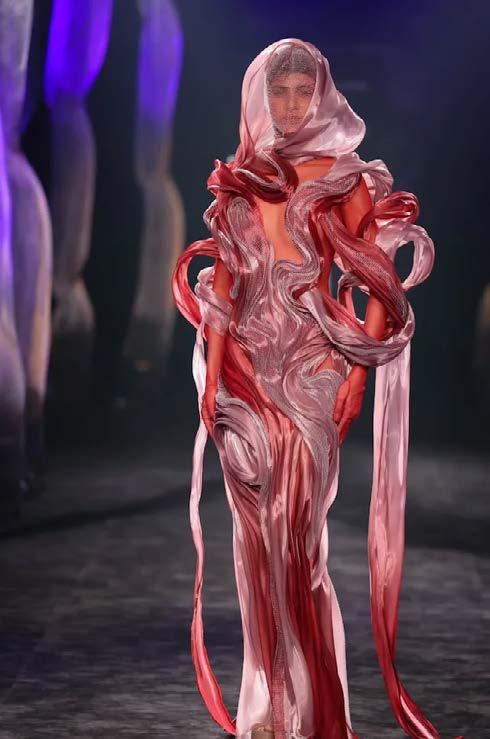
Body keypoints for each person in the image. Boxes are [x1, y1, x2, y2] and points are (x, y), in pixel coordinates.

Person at [172, 38, 463, 739]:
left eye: (304, 91)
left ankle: (313, 711)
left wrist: (358, 373)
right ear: (261, 95)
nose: (292, 104)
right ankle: (269, 711)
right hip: (244, 369)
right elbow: (225, 286)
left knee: (296, 540)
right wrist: (212, 375)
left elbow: (377, 282)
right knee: (254, 540)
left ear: (323, 95)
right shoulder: (242, 177)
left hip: (312, 369)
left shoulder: (343, 178)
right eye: (281, 92)